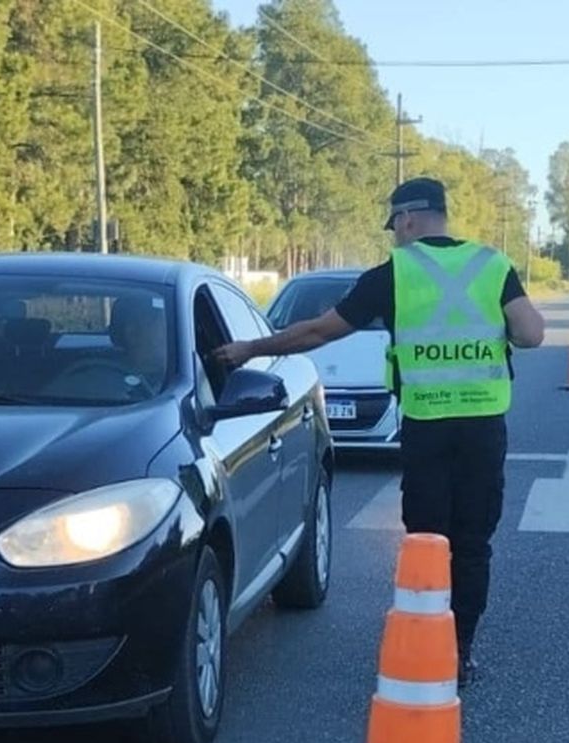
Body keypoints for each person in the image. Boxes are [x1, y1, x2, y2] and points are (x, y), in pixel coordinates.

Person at [213, 177, 545, 688]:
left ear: (409, 219)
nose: (395, 236)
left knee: (428, 539)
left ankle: (427, 640)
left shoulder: (394, 274)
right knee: (474, 541)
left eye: (395, 226)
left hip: (427, 427)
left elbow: (320, 330)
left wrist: (250, 351)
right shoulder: (492, 265)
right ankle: (462, 650)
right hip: (482, 428)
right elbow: (530, 333)